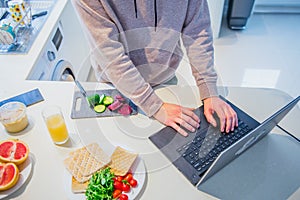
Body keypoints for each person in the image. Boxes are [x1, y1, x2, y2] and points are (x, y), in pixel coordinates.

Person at [72, 0, 238, 136]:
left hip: (165, 77)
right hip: (116, 84)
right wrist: (154, 106)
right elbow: (109, 53)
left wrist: (208, 90)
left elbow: (198, 32)